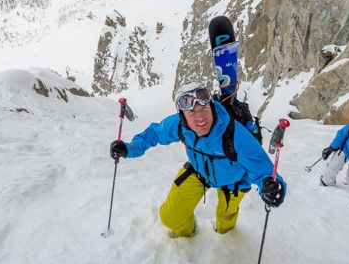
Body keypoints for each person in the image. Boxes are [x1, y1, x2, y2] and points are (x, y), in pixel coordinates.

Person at [109, 82, 286, 237]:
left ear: (212, 107)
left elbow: (264, 172)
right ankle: (190, 233)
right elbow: (154, 133)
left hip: (235, 180)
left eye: (204, 108)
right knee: (170, 217)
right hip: (199, 172)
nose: (200, 117)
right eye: (191, 111)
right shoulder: (179, 125)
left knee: (225, 226)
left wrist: (272, 187)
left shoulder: (236, 135)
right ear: (182, 115)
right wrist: (129, 148)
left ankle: (226, 241)